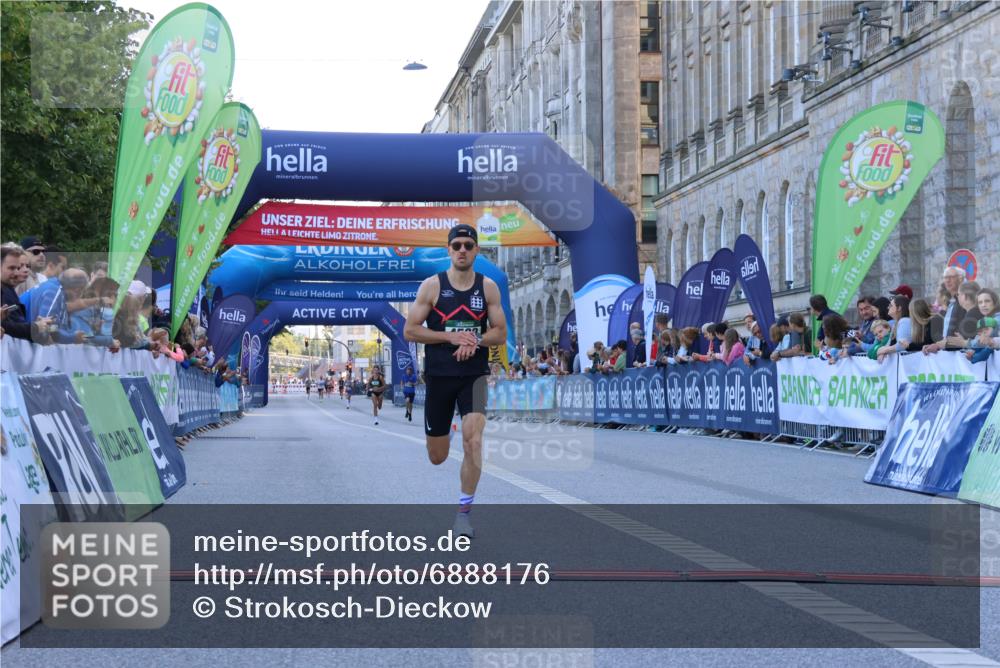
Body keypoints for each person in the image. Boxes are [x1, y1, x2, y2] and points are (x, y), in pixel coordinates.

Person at [403, 223, 507, 539]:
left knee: (473, 441)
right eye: (457, 245)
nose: (463, 250)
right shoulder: (432, 286)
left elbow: (500, 332)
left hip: (474, 376)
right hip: (439, 376)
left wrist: (474, 340)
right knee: (438, 457)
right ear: (448, 250)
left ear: (476, 250)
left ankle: (464, 514)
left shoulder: (488, 287)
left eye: (468, 245)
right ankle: (443, 431)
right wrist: (450, 337)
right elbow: (410, 330)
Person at [876, 295, 912, 362]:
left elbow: (902, 345)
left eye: (891, 305)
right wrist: (883, 351)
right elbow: (891, 344)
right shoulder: (897, 323)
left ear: (899, 308)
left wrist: (884, 350)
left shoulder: (904, 321)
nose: (888, 307)